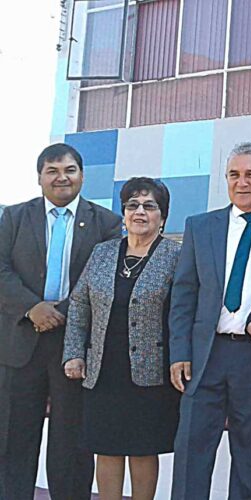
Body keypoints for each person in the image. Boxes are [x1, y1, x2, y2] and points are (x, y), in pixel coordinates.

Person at [169, 143, 251, 500]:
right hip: (204, 357)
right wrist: (179, 352)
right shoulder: (200, 226)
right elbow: (184, 293)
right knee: (191, 454)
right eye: (234, 175)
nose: (241, 183)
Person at [0, 143, 121, 499]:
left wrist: (61, 312)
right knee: (13, 438)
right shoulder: (13, 218)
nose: (61, 177)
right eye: (52, 171)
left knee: (71, 443)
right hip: (20, 343)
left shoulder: (107, 223)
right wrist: (32, 307)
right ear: (39, 177)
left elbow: (102, 279)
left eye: (69, 170)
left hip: (75, 347)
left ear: (82, 175)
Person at [62, 177, 180, 500]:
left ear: (162, 216)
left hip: (151, 371)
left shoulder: (176, 255)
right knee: (106, 447)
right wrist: (74, 353)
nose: (140, 212)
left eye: (149, 206)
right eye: (132, 205)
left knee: (143, 449)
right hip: (103, 368)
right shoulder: (102, 252)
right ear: (124, 213)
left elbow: (184, 312)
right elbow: (79, 304)